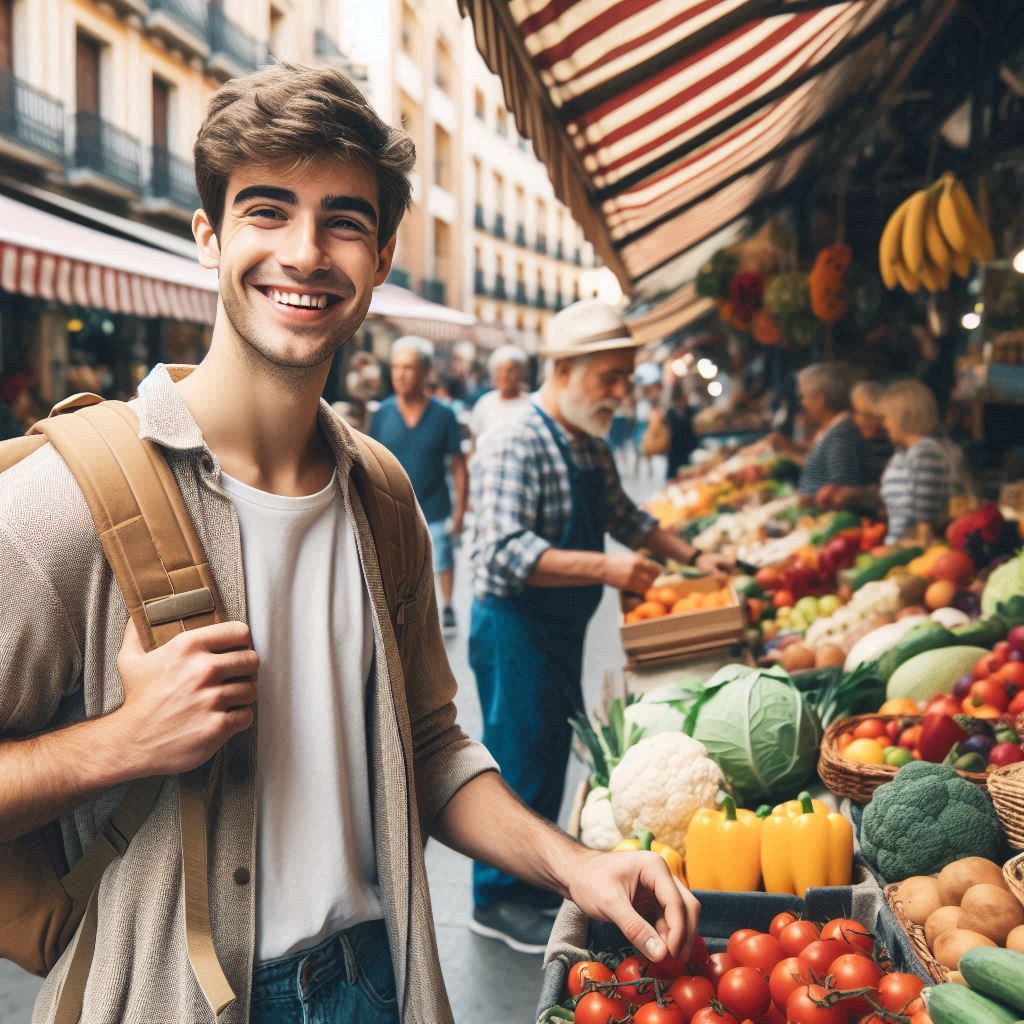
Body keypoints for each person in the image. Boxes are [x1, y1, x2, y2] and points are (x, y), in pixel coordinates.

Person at [0, 63, 697, 1024]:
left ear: (382, 253)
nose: (306, 252)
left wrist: (575, 866)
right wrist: (121, 744)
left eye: (343, 221)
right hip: (174, 997)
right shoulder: (65, 500)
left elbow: (428, 743)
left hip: (378, 983)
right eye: (267, 211)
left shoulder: (379, 492)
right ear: (208, 237)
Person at [468, 299, 716, 953]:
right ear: (568, 369)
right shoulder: (514, 441)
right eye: (609, 376)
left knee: (549, 750)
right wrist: (607, 568)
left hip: (558, 628)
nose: (619, 392)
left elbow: (627, 515)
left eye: (624, 377)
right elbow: (497, 554)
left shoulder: (588, 445)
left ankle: (531, 876)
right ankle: (495, 898)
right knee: (518, 755)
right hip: (515, 627)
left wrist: (695, 557)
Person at [370, 336, 467, 637]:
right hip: (392, 507)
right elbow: (370, 460)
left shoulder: (444, 415)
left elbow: (458, 465)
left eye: (408, 368)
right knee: (396, 566)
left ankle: (447, 605)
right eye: (396, 367)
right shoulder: (383, 413)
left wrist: (461, 510)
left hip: (435, 503)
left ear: (425, 372)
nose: (399, 374)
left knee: (444, 557)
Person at [879, 379, 959, 544]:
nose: (884, 424)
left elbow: (925, 516)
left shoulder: (925, 452)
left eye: (886, 417)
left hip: (912, 549)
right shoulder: (902, 453)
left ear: (903, 415)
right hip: (897, 545)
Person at [791, 363, 879, 501]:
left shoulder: (841, 435)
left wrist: (809, 501)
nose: (802, 402)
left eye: (804, 396)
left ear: (820, 399)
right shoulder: (833, 430)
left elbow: (842, 491)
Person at [816, 379, 892, 511]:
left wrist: (859, 493)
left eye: (868, 415)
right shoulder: (856, 439)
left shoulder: (896, 447)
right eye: (856, 413)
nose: (859, 420)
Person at [468, 344, 531, 450]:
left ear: (521, 373)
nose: (504, 376)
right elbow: (473, 444)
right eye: (500, 370)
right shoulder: (485, 403)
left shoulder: (531, 405)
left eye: (510, 370)